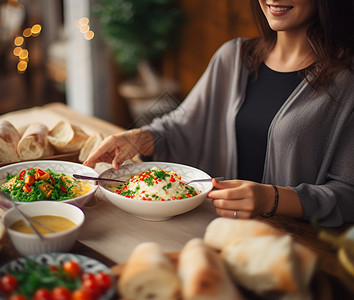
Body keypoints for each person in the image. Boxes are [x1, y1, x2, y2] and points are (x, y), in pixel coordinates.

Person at [84, 0, 354, 227]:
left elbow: (347, 194)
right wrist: (139, 138)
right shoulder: (234, 57)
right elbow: (181, 124)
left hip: (295, 247)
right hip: (217, 231)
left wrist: (271, 199)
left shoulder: (346, 82)